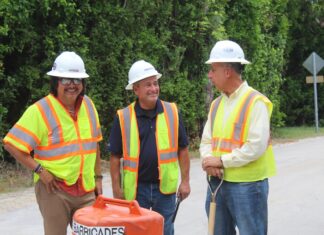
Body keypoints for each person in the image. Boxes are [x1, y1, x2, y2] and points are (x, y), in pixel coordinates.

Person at [3, 51, 103, 235]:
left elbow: (94, 144)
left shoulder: (89, 105)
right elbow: (11, 144)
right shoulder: (40, 110)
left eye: (77, 80)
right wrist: (40, 171)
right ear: (56, 82)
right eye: (66, 80)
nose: (72, 85)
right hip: (54, 190)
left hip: (86, 190)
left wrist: (98, 178)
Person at [200, 40, 276, 235]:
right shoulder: (216, 104)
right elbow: (206, 141)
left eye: (212, 69)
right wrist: (208, 162)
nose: (209, 75)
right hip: (217, 183)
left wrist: (221, 161)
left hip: (248, 186)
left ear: (227, 71)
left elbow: (256, 146)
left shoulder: (256, 102)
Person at [108, 60, 190, 235]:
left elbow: (183, 149)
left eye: (155, 83)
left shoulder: (172, 112)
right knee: (137, 231)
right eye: (148, 85)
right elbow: (114, 157)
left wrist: (185, 181)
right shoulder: (123, 117)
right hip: (137, 189)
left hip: (165, 188)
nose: (154, 88)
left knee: (165, 230)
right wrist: (117, 189)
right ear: (136, 90)